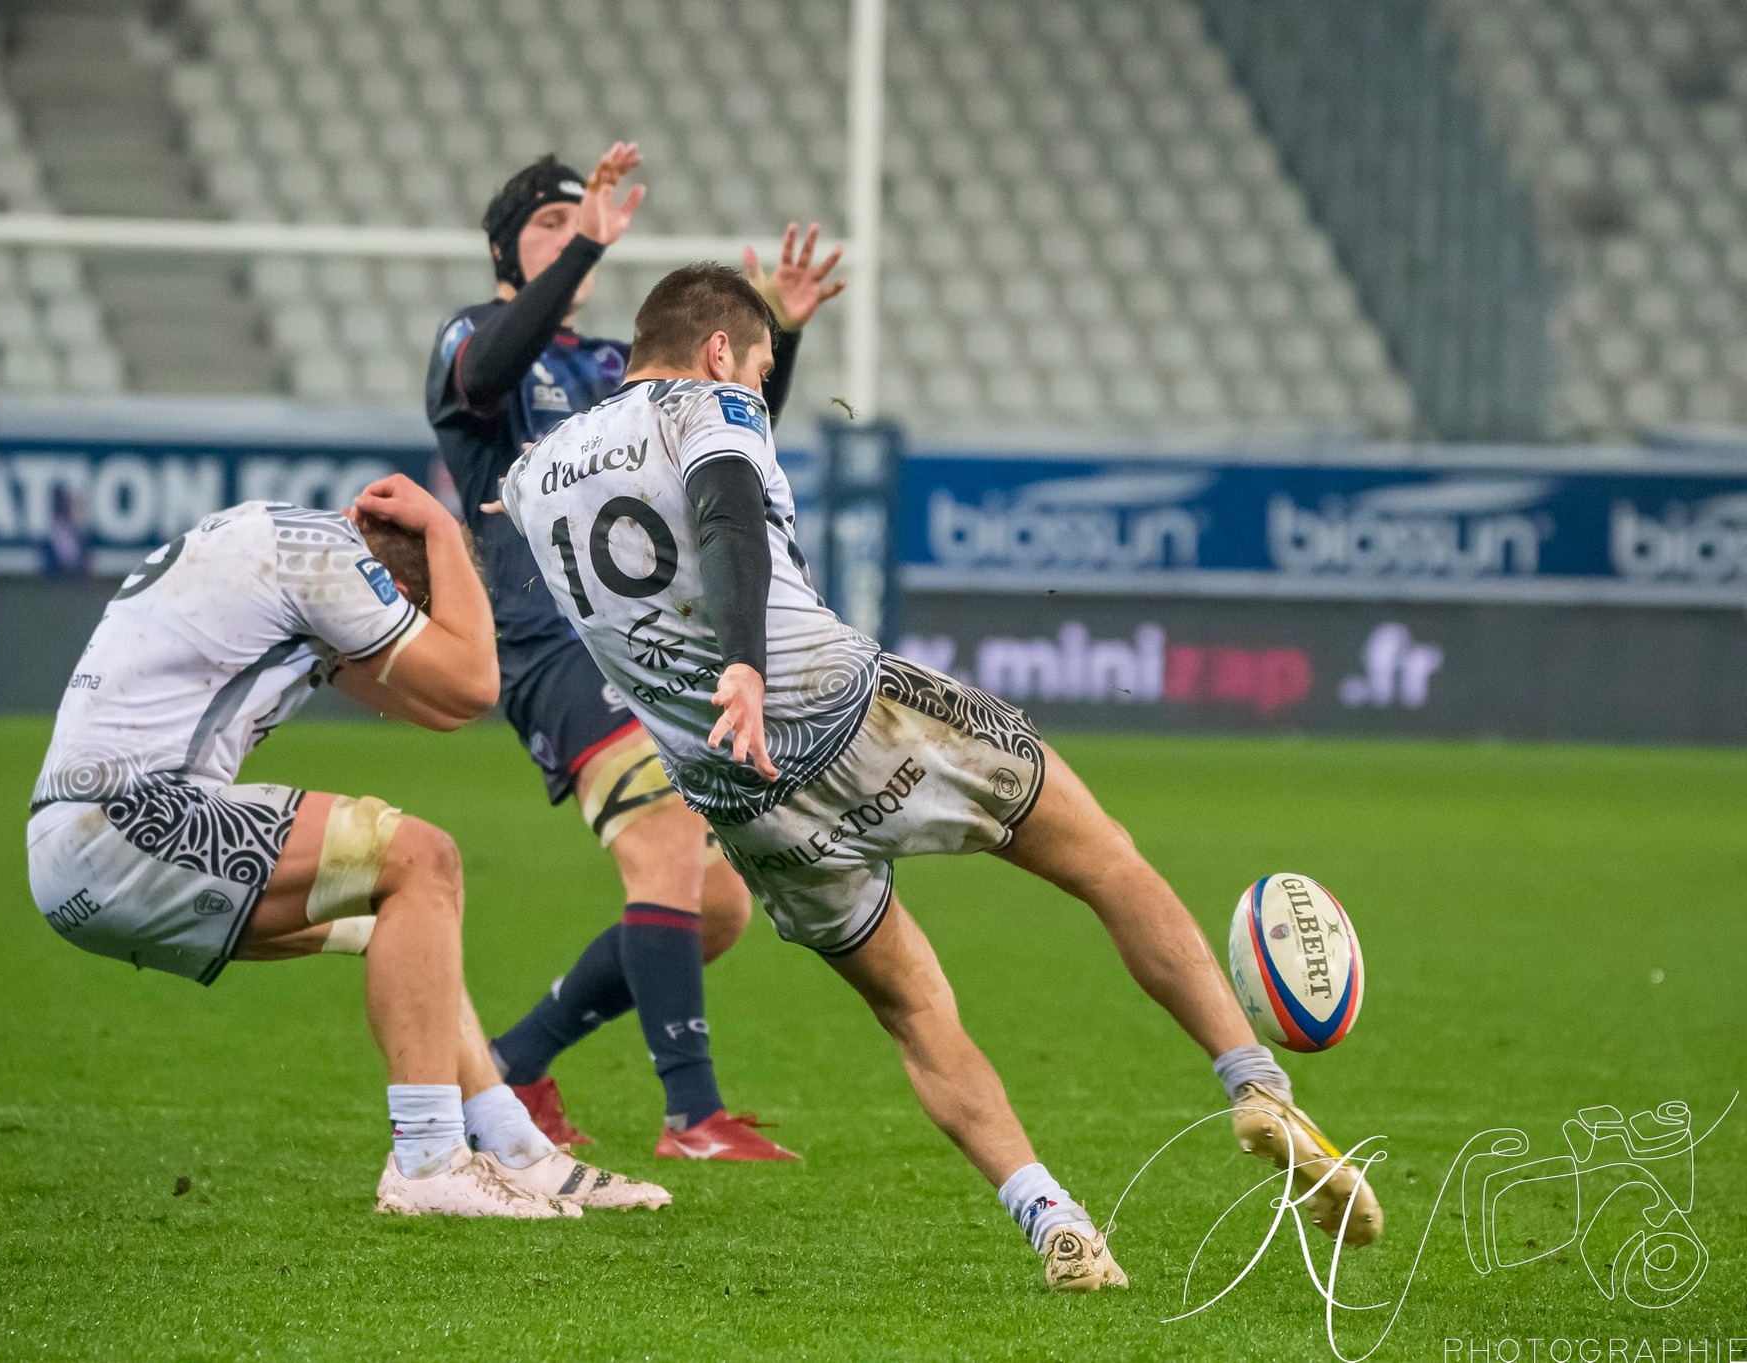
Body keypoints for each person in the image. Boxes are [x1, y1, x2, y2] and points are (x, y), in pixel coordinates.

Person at [497, 263, 1385, 1288]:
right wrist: (744, 659)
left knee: (915, 1010)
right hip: (846, 708)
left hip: (740, 795)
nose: (759, 388)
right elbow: (727, 506)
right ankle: (1257, 1084)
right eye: (761, 368)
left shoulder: (532, 475)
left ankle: (1053, 1219)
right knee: (1105, 861)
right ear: (717, 353)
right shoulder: (708, 406)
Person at [25, 474, 668, 1217]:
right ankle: (427, 1160)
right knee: (421, 859)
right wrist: (442, 527)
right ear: (396, 592)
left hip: (77, 850)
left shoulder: (280, 550)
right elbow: (472, 685)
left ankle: (516, 1147)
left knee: (410, 924)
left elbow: (438, 711)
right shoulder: (325, 554)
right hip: (129, 819)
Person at [425, 143, 844, 1160]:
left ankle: (512, 1062)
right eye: (547, 224)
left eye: (578, 221)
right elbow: (485, 377)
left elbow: (718, 449)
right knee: (663, 836)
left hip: (639, 640)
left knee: (718, 905)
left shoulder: (617, 365)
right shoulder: (473, 336)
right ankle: (690, 1114)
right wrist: (587, 244)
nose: (570, 235)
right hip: (548, 636)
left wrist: (777, 336)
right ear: (504, 249)